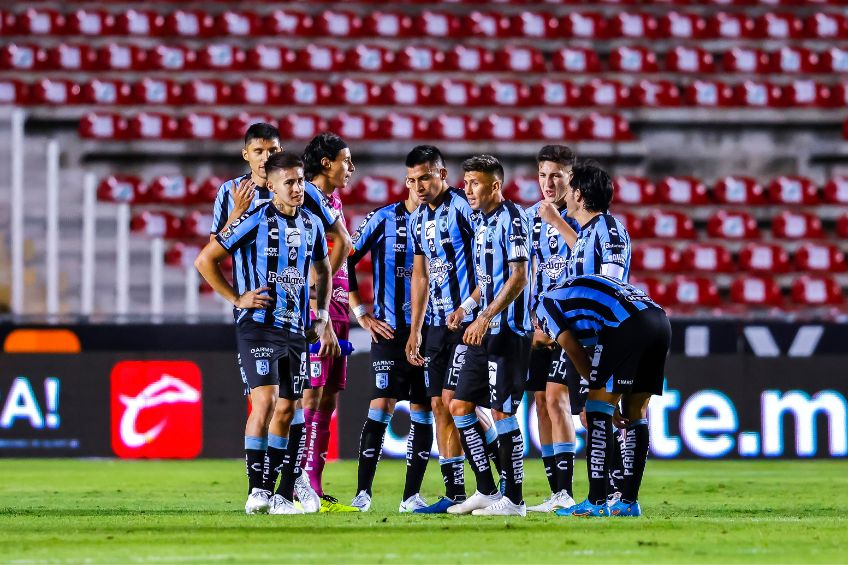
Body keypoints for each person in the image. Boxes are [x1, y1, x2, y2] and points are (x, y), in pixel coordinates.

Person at [209, 122, 352, 512]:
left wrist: (318, 307)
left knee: (292, 404)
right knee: (266, 402)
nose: (266, 157)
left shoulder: (304, 204)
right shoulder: (233, 196)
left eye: (272, 150)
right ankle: (262, 487)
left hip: (296, 319)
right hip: (255, 317)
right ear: (246, 155)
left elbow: (339, 242)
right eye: (258, 151)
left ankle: (289, 486)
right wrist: (237, 297)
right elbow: (211, 252)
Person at [535, 274, 671, 517]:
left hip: (626, 323)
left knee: (597, 410)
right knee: (636, 413)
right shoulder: (570, 297)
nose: (548, 346)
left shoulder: (543, 306)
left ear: (534, 324)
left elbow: (574, 350)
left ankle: (596, 502)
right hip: (659, 320)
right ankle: (628, 502)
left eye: (541, 344)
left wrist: (599, 395)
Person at [446, 155, 532, 517]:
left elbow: (518, 278)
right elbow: (487, 283)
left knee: (502, 413)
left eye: (475, 183)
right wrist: (466, 308)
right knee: (460, 406)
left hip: (508, 331)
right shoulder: (482, 222)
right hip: (483, 327)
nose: (467, 189)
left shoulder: (512, 219)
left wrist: (485, 317)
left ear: (495, 186)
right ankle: (485, 489)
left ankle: (514, 500)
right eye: (465, 182)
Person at [345, 183, 434, 513]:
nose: (422, 186)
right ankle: (362, 492)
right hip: (388, 330)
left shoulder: (444, 220)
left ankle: (411, 497)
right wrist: (361, 314)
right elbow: (345, 257)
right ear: (408, 181)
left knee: (423, 411)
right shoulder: (383, 218)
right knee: (381, 406)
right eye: (415, 178)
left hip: (430, 330)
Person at [404, 145, 481, 514]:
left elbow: (487, 258)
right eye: (413, 180)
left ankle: (496, 480)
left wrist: (476, 308)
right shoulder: (418, 218)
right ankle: (456, 493)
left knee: (457, 403)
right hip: (434, 324)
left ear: (442, 175)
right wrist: (415, 329)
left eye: (426, 177)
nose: (419, 186)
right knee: (438, 405)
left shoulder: (464, 208)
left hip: (467, 321)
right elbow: (420, 275)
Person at [299, 132, 359, 512]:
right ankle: (299, 485)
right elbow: (343, 245)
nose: (351, 168)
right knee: (311, 394)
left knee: (330, 395)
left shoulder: (331, 199)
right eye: (346, 161)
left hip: (336, 309)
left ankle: (315, 487)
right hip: (314, 311)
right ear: (326, 163)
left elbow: (346, 249)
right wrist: (319, 290)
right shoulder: (304, 196)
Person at [524, 145, 583, 513]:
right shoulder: (529, 217)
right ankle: (556, 492)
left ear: (570, 178)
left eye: (557, 175)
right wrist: (529, 317)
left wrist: (556, 221)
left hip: (574, 325)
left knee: (560, 399)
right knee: (541, 404)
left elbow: (587, 255)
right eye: (543, 174)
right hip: (537, 327)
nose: (549, 182)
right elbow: (523, 270)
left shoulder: (582, 215)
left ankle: (571, 490)